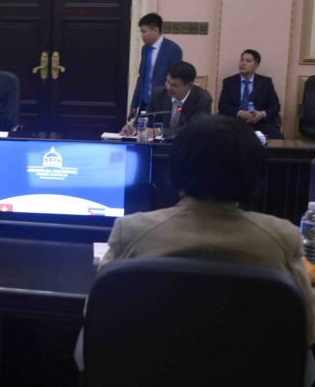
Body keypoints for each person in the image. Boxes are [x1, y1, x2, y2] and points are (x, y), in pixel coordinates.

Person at [103, 116, 315, 356]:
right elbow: (307, 331)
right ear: (255, 175)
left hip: (146, 369)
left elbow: (96, 316)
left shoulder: (131, 230)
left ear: (176, 170)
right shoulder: (282, 238)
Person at [120, 61, 211, 140]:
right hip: (159, 147)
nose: (168, 87)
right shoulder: (158, 94)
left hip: (188, 148)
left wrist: (159, 132)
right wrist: (135, 129)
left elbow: (194, 130)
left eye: (174, 85)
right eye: (167, 82)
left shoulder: (202, 99)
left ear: (189, 86)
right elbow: (147, 118)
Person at [218, 49, 284, 139]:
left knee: (277, 138)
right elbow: (222, 105)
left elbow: (275, 106)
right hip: (235, 121)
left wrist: (262, 114)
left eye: (248, 61)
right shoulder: (229, 82)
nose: (243, 63)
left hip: (259, 121)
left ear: (256, 65)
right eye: (242, 60)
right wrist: (240, 113)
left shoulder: (265, 82)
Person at [129, 13, 183, 115]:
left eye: (144, 32)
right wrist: (134, 103)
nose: (142, 35)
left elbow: (176, 80)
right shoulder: (145, 49)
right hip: (144, 103)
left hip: (163, 104)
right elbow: (142, 77)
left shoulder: (173, 50)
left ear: (156, 30)